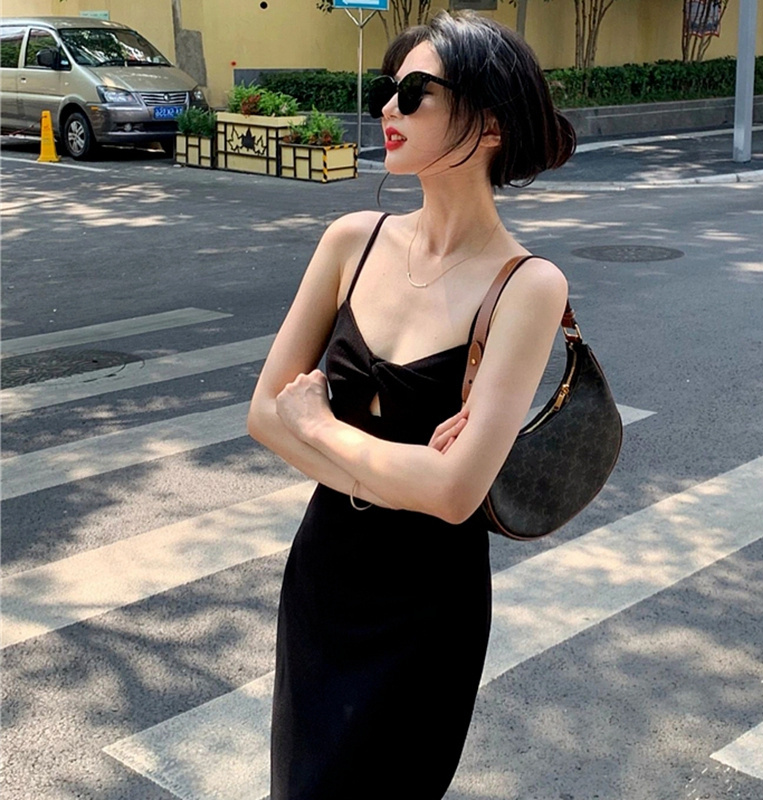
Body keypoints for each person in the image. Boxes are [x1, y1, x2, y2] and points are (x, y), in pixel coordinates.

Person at [247, 10, 576, 799]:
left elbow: (456, 495)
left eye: (416, 92)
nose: (388, 109)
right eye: (386, 92)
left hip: (428, 608)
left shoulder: (528, 286)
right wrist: (405, 475)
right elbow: (262, 414)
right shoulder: (351, 242)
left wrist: (319, 428)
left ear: (490, 123)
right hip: (324, 579)